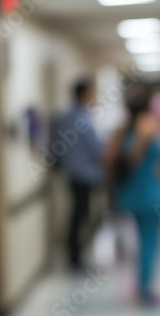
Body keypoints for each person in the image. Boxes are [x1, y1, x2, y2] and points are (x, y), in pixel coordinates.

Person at [104, 84, 160, 303]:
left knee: (137, 242)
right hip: (150, 195)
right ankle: (144, 288)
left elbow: (108, 162)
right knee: (149, 241)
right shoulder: (148, 129)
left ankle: (141, 285)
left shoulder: (122, 130)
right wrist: (143, 141)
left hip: (129, 195)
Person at [54, 79, 103, 269]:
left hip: (71, 173)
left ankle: (74, 254)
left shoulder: (64, 117)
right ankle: (76, 256)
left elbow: (56, 147)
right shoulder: (82, 118)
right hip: (84, 175)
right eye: (91, 93)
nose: (94, 97)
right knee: (80, 215)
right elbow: (95, 148)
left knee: (77, 213)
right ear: (84, 94)